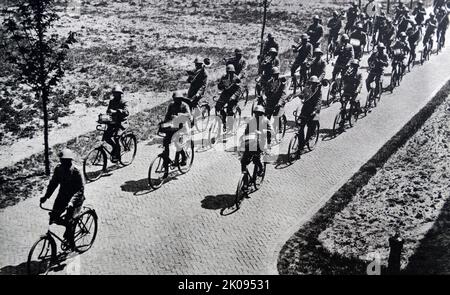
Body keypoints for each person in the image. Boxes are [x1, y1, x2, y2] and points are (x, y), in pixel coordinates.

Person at [40, 149, 85, 249]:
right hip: (62, 197)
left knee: (70, 220)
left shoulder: (76, 171)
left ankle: (72, 243)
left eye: (66, 161)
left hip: (75, 200)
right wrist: (46, 196)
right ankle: (68, 230)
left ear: (70, 161)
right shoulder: (58, 169)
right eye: (62, 161)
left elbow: (80, 189)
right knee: (53, 218)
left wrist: (71, 202)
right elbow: (53, 184)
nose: (63, 163)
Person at [239, 105, 273, 191]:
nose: (257, 115)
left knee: (256, 159)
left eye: (259, 114)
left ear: (263, 114)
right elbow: (246, 132)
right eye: (256, 113)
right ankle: (245, 181)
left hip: (260, 144)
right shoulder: (251, 121)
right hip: (250, 143)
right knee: (243, 162)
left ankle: (260, 168)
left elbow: (272, 132)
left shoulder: (266, 121)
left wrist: (263, 132)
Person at [161, 91, 191, 178]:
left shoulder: (184, 106)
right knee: (166, 142)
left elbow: (189, 115)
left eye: (178, 99)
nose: (177, 100)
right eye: (175, 99)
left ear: (181, 99)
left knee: (178, 143)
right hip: (173, 127)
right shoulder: (171, 105)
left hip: (183, 127)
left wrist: (179, 115)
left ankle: (184, 156)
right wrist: (164, 123)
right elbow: (167, 115)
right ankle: (166, 165)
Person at [102, 84, 129, 162]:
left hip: (122, 122)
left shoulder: (124, 102)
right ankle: (115, 147)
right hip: (113, 122)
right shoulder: (112, 101)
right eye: (114, 93)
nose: (115, 95)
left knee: (116, 137)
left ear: (120, 94)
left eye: (117, 93)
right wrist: (104, 117)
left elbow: (126, 112)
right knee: (106, 137)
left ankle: (118, 154)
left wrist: (117, 111)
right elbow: (108, 111)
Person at [297, 76, 322, 151]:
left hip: (314, 110)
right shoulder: (307, 88)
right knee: (300, 126)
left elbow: (319, 101)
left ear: (316, 84)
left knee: (312, 125)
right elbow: (302, 94)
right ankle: (301, 143)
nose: (312, 84)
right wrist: (301, 96)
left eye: (314, 83)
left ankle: (311, 135)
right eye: (311, 83)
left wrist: (315, 110)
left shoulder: (318, 90)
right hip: (305, 109)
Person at [216, 64, 242, 132]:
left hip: (234, 93)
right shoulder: (224, 77)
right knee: (218, 105)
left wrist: (233, 97)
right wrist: (221, 85)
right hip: (226, 92)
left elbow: (238, 89)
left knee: (229, 108)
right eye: (228, 72)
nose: (229, 73)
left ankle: (230, 125)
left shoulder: (236, 78)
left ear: (233, 72)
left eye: (231, 72)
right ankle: (224, 121)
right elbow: (219, 86)